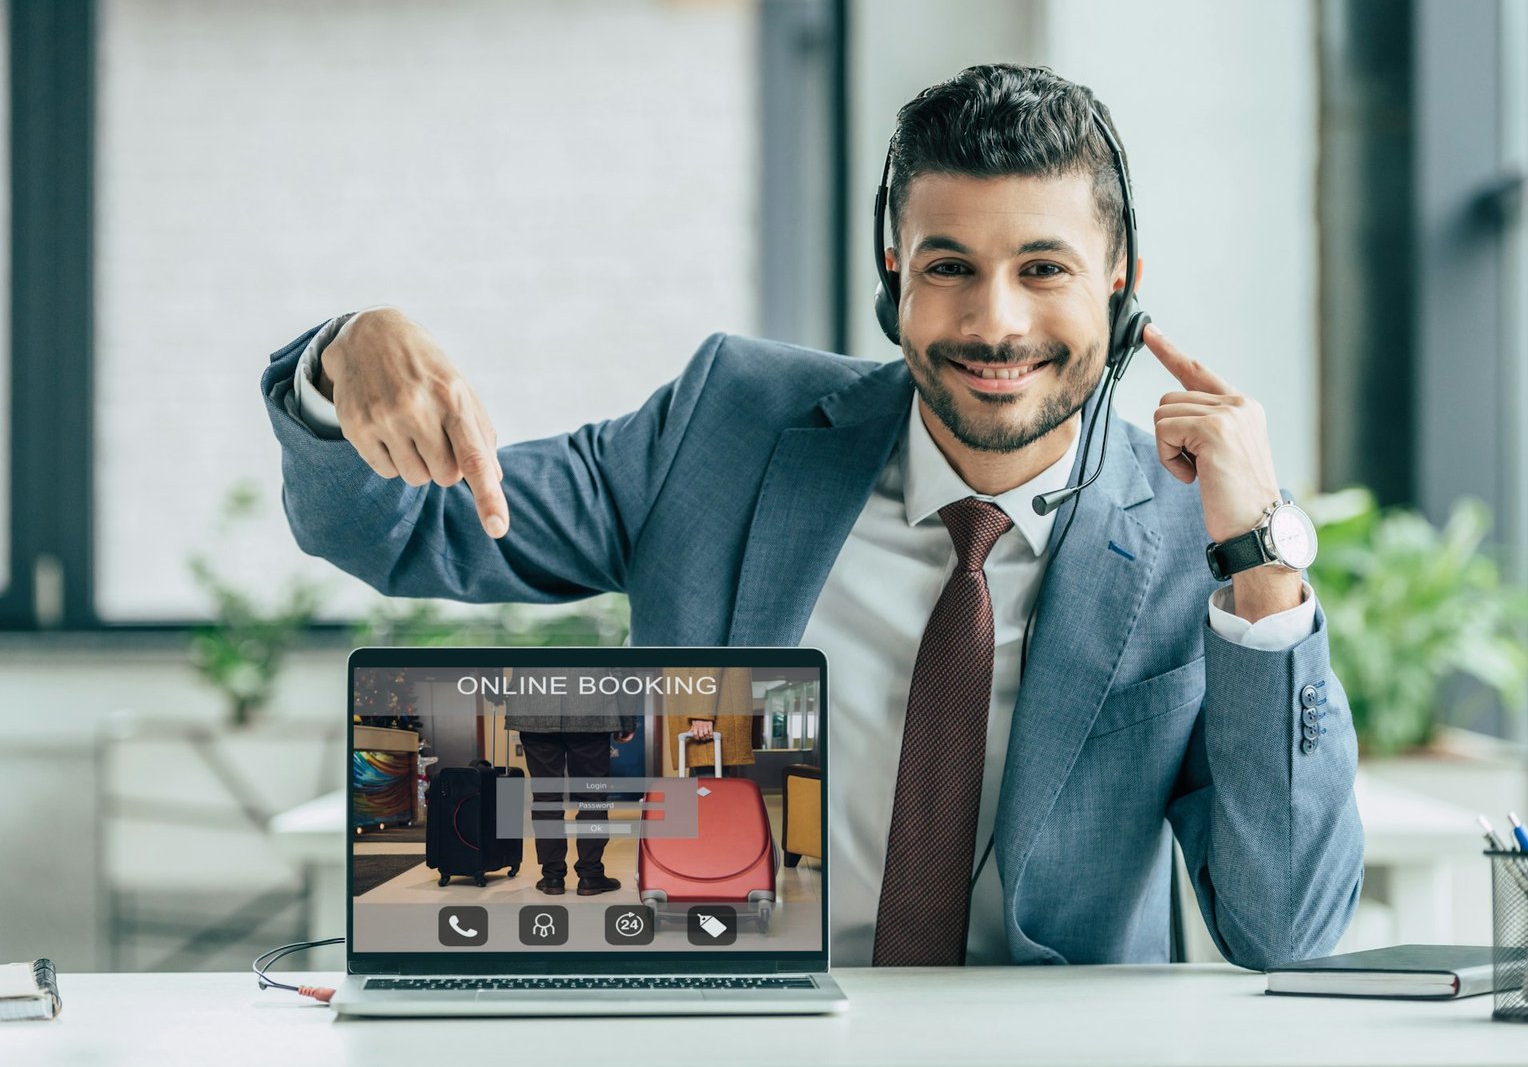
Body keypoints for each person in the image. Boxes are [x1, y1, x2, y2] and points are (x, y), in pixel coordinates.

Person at [261, 64, 1363, 969]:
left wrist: (1260, 558)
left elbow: (1287, 931)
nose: (995, 322)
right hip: (735, 1025)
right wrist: (340, 358)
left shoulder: (1192, 539)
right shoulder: (729, 424)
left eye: (1043, 269)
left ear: (1119, 282)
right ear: (894, 275)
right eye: (949, 266)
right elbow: (394, 526)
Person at [495, 668, 640, 896]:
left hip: (533, 706)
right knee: (592, 797)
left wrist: (493, 689)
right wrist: (627, 718)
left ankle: (552, 877)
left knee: (546, 797)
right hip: (591, 707)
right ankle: (590, 876)